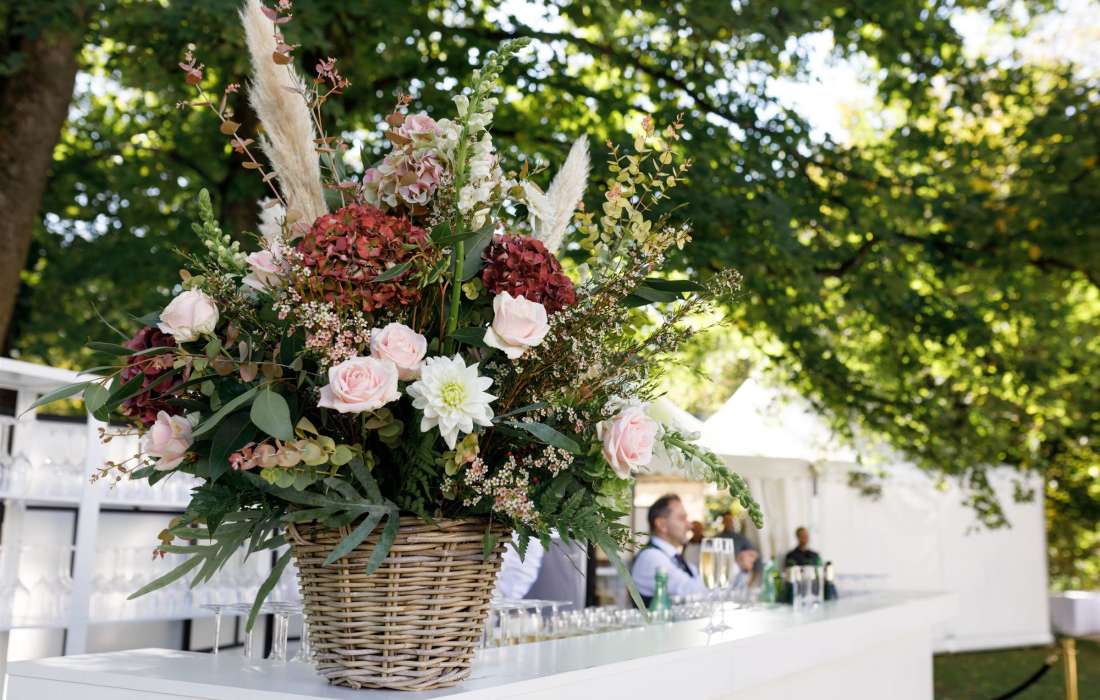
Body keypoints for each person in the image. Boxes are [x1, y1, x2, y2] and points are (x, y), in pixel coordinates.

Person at [630, 494, 706, 606]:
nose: (690, 525)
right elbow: (694, 592)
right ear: (662, 524)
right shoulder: (651, 557)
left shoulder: (672, 556)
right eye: (682, 518)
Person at [718, 512, 761, 576]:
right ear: (723, 522)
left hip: (737, 572)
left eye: (730, 520)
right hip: (719, 569)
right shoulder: (717, 538)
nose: (728, 523)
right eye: (726, 521)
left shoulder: (740, 538)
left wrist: (754, 576)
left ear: (733, 522)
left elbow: (755, 554)